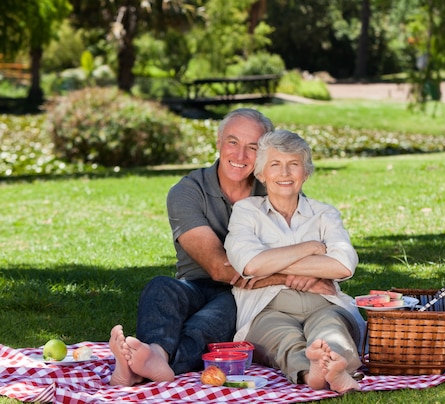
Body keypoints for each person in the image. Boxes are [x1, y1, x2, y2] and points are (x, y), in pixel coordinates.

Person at [109, 109, 336, 386]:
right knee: (160, 287)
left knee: (216, 317)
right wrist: (295, 278)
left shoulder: (276, 188)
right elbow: (219, 268)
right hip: (197, 283)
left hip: (245, 294)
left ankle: (149, 364)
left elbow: (312, 245)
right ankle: (154, 354)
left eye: (252, 147)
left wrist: (308, 266)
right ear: (218, 141)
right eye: (232, 142)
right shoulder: (188, 191)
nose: (240, 156)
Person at [224, 129, 366, 393]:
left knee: (331, 328)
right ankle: (311, 374)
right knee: (283, 338)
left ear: (306, 172)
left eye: (293, 165)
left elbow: (343, 265)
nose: (285, 173)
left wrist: (271, 264)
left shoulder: (324, 213)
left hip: (324, 301)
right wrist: (312, 248)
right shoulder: (246, 211)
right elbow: (250, 265)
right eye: (275, 165)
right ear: (261, 174)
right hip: (267, 307)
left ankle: (335, 369)